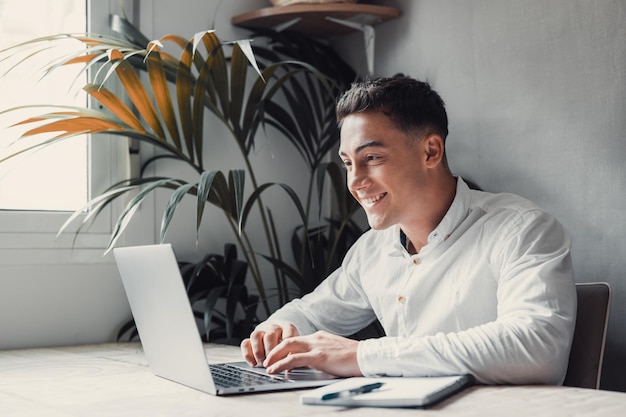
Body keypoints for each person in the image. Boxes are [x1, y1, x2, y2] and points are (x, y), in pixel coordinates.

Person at [240, 77, 577, 385]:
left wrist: (362, 356)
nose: (354, 182)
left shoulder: (522, 228)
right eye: (347, 162)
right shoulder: (373, 250)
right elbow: (309, 312)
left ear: (430, 151)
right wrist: (276, 329)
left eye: (371, 157)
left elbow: (538, 347)